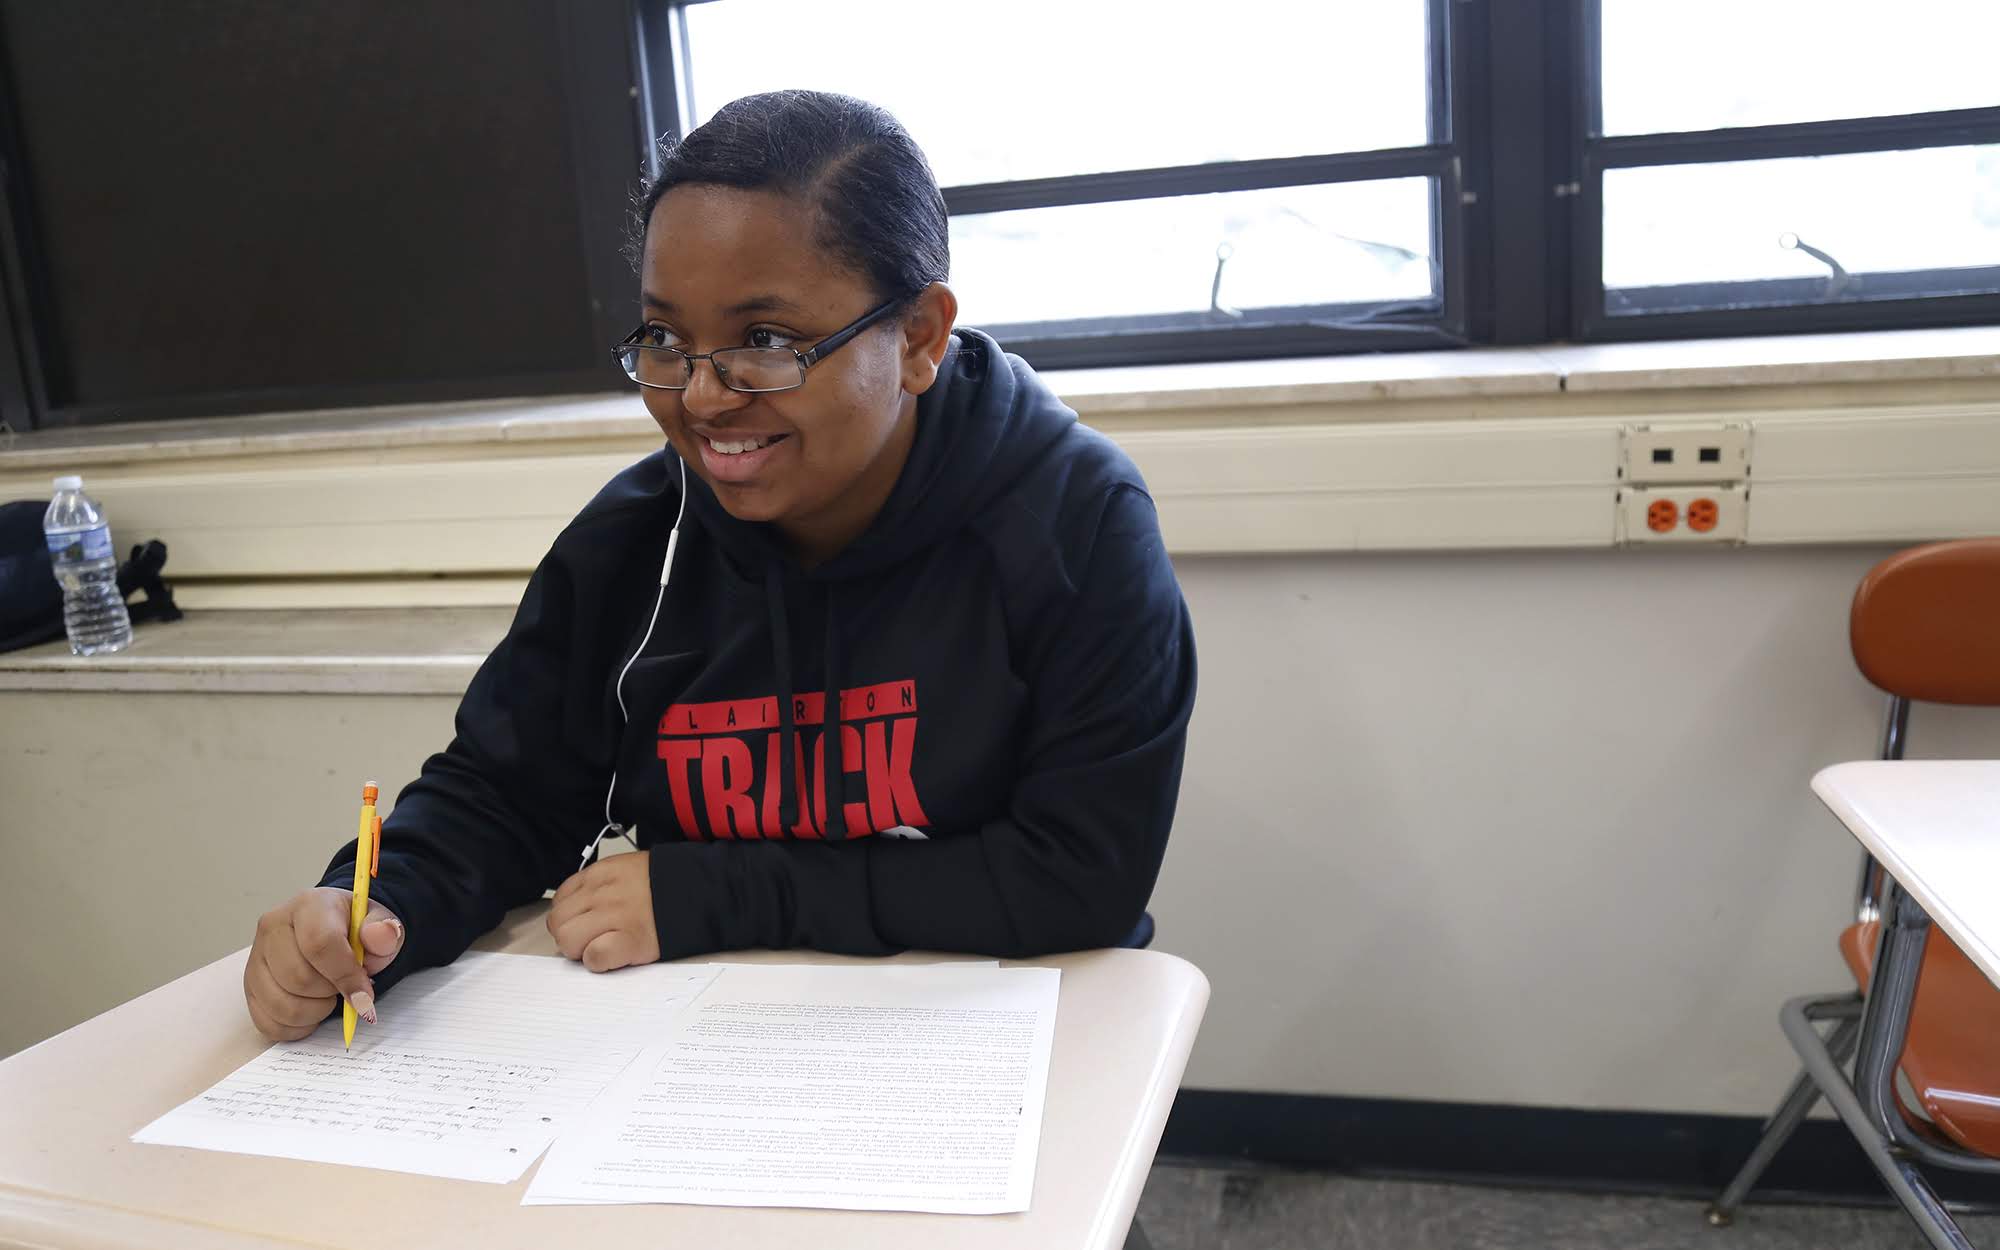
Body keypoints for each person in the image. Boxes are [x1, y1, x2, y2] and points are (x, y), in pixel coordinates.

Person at [242, 90, 1197, 1042]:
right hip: (695, 1049)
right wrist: (369, 910)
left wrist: (719, 894)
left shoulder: (1077, 527)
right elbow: (502, 795)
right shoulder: (636, 541)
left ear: (918, 338)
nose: (700, 397)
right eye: (666, 339)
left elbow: (1081, 878)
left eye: (767, 342)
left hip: (996, 1030)